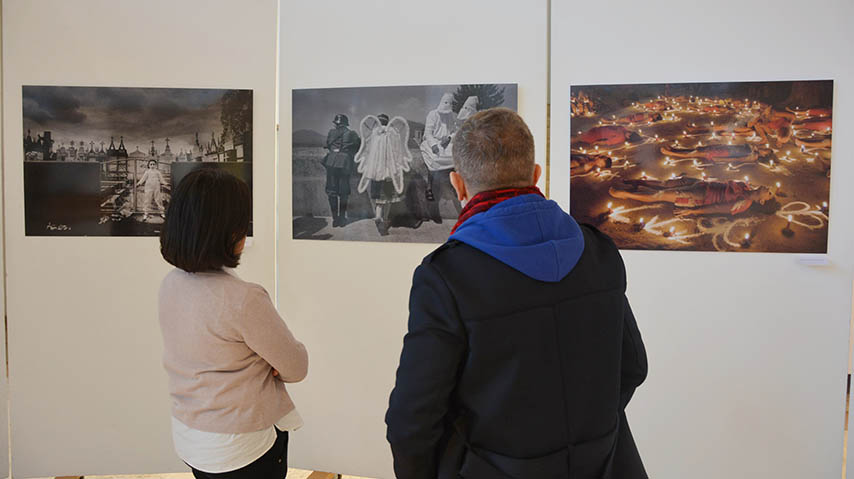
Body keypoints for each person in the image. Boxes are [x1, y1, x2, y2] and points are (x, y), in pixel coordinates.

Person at [386, 108, 648, 479]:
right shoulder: (599, 252)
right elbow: (633, 367)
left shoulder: (446, 276)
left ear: (458, 184)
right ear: (536, 174)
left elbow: (412, 420)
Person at [158, 169, 308, 479]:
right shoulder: (243, 299)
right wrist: (272, 364)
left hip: (191, 437)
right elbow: (296, 366)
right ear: (228, 232)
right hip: (241, 446)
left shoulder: (171, 284)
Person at [354, 113, 412, 236]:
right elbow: (398, 151)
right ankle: (384, 221)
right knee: (389, 198)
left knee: (379, 199)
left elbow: (368, 151)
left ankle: (378, 217)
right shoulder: (393, 133)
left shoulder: (375, 133)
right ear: (388, 121)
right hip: (389, 172)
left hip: (376, 171)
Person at [609, 177, 775, 216]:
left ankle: (625, 194)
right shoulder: (746, 186)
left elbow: (716, 208)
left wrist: (693, 212)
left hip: (697, 197)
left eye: (769, 193)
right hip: (701, 184)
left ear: (761, 201)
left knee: (660, 194)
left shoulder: (744, 203)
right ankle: (637, 183)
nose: (768, 188)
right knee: (666, 184)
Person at [420, 93, 461, 216]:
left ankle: (455, 190)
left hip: (446, 143)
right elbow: (428, 133)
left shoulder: (452, 116)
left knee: (455, 156)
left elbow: (454, 131)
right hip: (433, 142)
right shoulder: (432, 114)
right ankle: (430, 185)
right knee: (434, 159)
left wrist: (448, 137)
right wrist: (434, 145)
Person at [323, 114, 362, 227]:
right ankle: (342, 218)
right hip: (345, 163)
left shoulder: (331, 132)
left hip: (331, 162)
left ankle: (335, 220)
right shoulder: (352, 133)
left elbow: (328, 145)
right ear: (346, 123)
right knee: (344, 192)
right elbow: (359, 146)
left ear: (336, 123)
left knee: (331, 192)